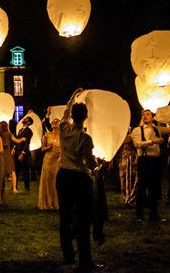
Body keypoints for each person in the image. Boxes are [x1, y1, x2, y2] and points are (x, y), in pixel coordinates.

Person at [56, 88, 101, 272]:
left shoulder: (63, 128)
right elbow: (89, 163)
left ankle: (68, 254)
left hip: (63, 175)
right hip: (79, 178)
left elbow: (65, 113)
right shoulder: (85, 138)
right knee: (83, 218)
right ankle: (85, 260)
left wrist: (72, 96)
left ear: (73, 116)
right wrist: (98, 165)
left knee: (65, 217)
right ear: (86, 117)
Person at [131, 109, 170, 222]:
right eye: (143, 115)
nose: (145, 116)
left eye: (148, 114)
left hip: (156, 161)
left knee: (154, 189)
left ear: (152, 117)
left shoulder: (158, 129)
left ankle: (154, 215)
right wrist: (152, 142)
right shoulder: (137, 130)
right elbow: (137, 144)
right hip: (144, 160)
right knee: (142, 188)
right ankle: (139, 216)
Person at [38, 117, 61, 210]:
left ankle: (56, 203)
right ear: (51, 125)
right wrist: (48, 148)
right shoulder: (47, 135)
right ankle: (47, 203)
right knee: (48, 181)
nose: (55, 124)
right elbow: (42, 149)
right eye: (54, 122)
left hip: (57, 161)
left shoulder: (63, 136)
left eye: (57, 122)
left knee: (56, 181)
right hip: (48, 160)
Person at [0, 120, 24, 194]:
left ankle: (0, 188)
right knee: (12, 171)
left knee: (1, 171)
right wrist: (22, 139)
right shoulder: (9, 134)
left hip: (1, 153)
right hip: (8, 154)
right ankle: (14, 188)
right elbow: (16, 141)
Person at [13, 115, 33, 192]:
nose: (24, 119)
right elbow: (17, 139)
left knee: (25, 170)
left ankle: (27, 187)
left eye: (26, 119)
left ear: (28, 122)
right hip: (17, 152)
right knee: (16, 170)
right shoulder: (20, 130)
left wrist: (23, 153)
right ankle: (15, 187)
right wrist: (14, 147)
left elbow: (27, 143)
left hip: (24, 153)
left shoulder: (29, 131)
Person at [118, 129, 138, 205]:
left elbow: (127, 140)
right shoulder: (121, 132)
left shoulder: (134, 132)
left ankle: (131, 196)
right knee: (123, 177)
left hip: (130, 158)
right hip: (123, 158)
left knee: (130, 177)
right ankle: (126, 196)